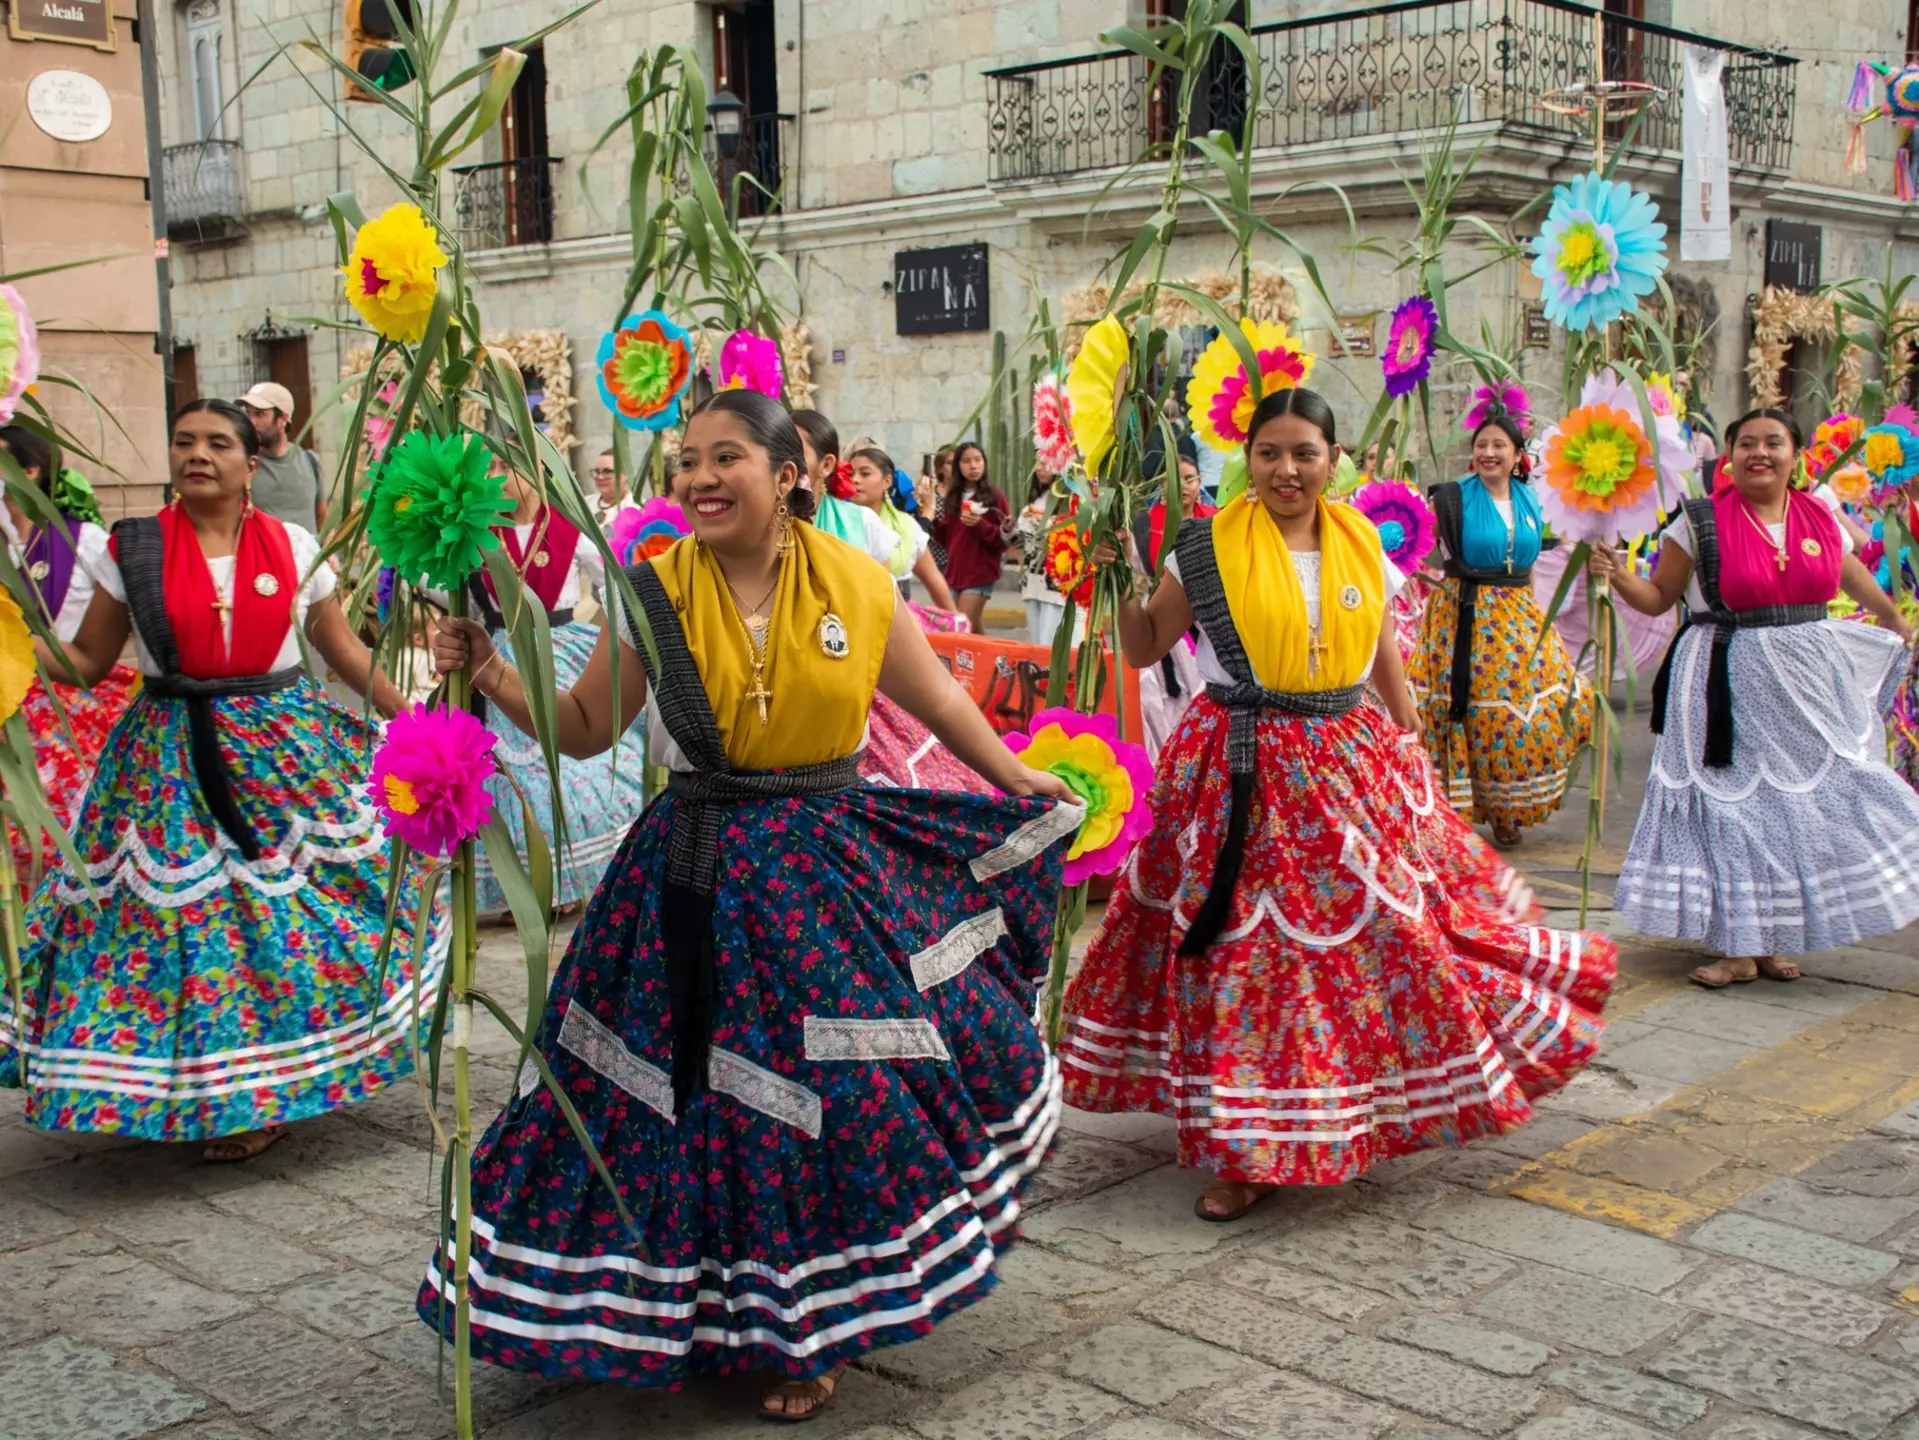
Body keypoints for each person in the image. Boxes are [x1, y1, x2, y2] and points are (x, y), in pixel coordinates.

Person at [415, 389, 1077, 1420]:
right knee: (674, 1107)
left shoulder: (856, 583)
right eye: (687, 461)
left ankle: (811, 1330)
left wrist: (1015, 776)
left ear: (788, 476)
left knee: (825, 1106)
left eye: (727, 458)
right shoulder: (651, 594)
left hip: (821, 877)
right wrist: (492, 666)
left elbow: (935, 700)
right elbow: (588, 729)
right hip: (683, 870)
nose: (700, 477)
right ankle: (685, 1311)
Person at [1060, 388, 1614, 1222]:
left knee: (1375, 944)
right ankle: (1245, 1150)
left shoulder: (1358, 536)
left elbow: (1383, 641)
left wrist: (1404, 728)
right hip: (1235, 769)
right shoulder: (1203, 548)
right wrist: (1115, 578)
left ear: (1332, 458)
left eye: (1303, 453)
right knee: (1242, 955)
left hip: (1345, 763)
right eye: (1269, 452)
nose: (1286, 469)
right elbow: (1144, 647)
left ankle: (1338, 1114)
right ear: (1246, 459)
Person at [0, 400, 437, 1162]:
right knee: (190, 929)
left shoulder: (295, 545)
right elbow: (87, 664)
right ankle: (219, 1092)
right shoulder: (129, 550)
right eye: (182, 440)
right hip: (168, 759)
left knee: (297, 913)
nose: (196, 453)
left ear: (249, 463)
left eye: (216, 443)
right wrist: (11, 634)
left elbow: (342, 652)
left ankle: (276, 1082)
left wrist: (415, 722)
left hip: (284, 751)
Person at [1591, 408, 1919, 987]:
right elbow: (1660, 597)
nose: (1759, 453)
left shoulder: (1818, 513)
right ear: (1728, 455)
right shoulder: (1697, 522)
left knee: (1801, 808)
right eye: (1746, 444)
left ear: (1795, 455)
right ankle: (1739, 947)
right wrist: (1617, 575)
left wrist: (1893, 615)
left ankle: (1774, 940)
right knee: (1732, 811)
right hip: (1723, 680)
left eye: (1773, 443)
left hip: (1807, 682)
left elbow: (1848, 575)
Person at [457, 464, 647, 918]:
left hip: (558, 648)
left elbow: (615, 588)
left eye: (508, 468)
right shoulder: (478, 531)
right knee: (509, 770)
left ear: (535, 473)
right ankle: (515, 887)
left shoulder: (571, 532)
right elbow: (450, 594)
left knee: (567, 751)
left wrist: (617, 635)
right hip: (499, 653)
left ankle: (573, 879)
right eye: (492, 468)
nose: (500, 478)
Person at [1406, 413, 1590, 846]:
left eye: (1498, 446)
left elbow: (1539, 559)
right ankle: (1461, 810)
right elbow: (1417, 546)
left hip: (1519, 614)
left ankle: (1506, 808)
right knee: (1468, 711)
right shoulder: (1451, 499)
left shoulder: (1533, 500)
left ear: (1516, 456)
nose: (1488, 453)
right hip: (1462, 614)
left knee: (1530, 710)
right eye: (1482, 445)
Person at [0, 426, 138, 890]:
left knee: (61, 829)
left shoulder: (84, 541)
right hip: (6, 704)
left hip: (66, 707)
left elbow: (107, 632)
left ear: (30, 472)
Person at [846, 441, 956, 609]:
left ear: (887, 481)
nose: (855, 480)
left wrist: (956, 624)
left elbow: (933, 578)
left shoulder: (905, 526)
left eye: (865, 473)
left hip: (897, 623)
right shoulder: (835, 520)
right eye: (850, 474)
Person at [931, 440, 1009, 631]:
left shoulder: (994, 496)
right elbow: (947, 539)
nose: (973, 466)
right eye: (966, 461)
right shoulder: (954, 497)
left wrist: (980, 524)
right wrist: (929, 515)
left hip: (980, 573)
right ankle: (992, 661)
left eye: (977, 460)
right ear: (958, 466)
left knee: (961, 629)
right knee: (972, 630)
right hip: (955, 572)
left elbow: (1003, 541)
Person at [237, 381, 326, 533]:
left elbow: (322, 514)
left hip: (305, 555)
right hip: (264, 555)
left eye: (259, 414)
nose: (251, 422)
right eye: (248, 413)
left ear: (283, 419)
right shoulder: (245, 466)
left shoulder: (310, 462)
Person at [1013, 466, 1074, 647]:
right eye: (1037, 461)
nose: (1039, 468)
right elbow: (1020, 543)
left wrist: (1047, 527)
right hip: (1032, 581)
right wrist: (1009, 530)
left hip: (1055, 584)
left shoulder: (1070, 500)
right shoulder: (1037, 500)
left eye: (1045, 462)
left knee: (1050, 645)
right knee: (1037, 644)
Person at [590, 447, 636, 531]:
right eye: (597, 471)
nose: (600, 477)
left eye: (607, 472)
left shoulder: (638, 510)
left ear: (625, 474)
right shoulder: (584, 504)